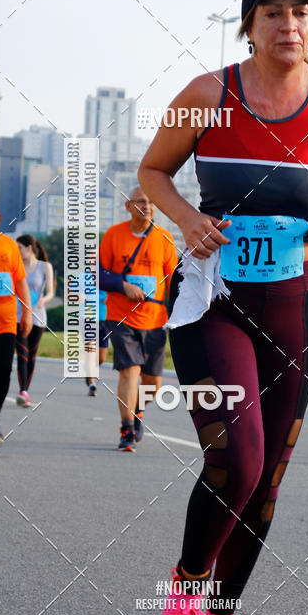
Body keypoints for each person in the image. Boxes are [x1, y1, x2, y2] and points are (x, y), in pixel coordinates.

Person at [138, 0, 308, 615]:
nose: (288, 25)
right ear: (249, 23)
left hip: (296, 303)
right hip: (213, 301)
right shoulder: (208, 93)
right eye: (272, 13)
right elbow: (153, 172)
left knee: (269, 473)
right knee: (235, 460)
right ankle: (182, 597)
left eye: (301, 13)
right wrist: (186, 219)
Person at [99, 187, 178, 451]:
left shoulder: (165, 239)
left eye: (151, 202)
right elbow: (98, 273)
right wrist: (123, 286)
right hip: (121, 316)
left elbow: (175, 282)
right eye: (141, 202)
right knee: (129, 371)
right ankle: (127, 430)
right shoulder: (113, 235)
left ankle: (137, 410)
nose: (147, 206)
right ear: (127, 205)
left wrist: (181, 316)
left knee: (153, 381)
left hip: (155, 319)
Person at [0, 204, 32, 443]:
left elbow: (20, 282)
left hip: (6, 321)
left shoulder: (8, 245)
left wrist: (27, 312)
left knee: (2, 371)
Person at [15, 235, 55, 408]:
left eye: (20, 248)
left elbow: (51, 292)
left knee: (31, 355)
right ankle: (23, 391)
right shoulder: (16, 266)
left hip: (38, 317)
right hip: (18, 315)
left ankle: (26, 390)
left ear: (29, 248)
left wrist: (43, 300)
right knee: (22, 354)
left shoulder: (45, 267)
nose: (17, 251)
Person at [85, 287, 110, 397]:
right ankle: (92, 383)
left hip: (105, 321)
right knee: (91, 353)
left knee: (101, 358)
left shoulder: (108, 278)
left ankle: (89, 372)